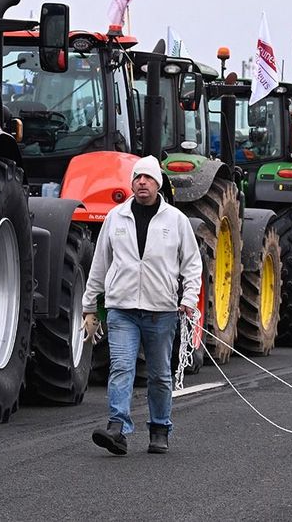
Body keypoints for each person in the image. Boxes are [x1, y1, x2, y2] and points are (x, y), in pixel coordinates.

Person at [82, 155, 202, 455]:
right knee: (121, 367)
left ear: (158, 184)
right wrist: (90, 308)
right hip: (122, 309)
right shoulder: (115, 217)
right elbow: (100, 265)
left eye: (147, 178)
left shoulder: (176, 221)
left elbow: (192, 265)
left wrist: (188, 299)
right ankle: (117, 429)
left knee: (160, 374)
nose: (142, 182)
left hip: (161, 312)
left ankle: (160, 428)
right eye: (137, 178)